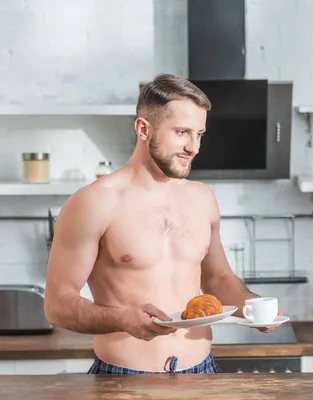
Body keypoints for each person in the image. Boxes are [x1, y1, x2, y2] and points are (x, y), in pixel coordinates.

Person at [44, 73, 283, 375]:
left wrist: (253, 306)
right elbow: (57, 304)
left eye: (200, 134)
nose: (193, 147)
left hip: (201, 373)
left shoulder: (202, 198)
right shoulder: (94, 202)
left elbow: (218, 278)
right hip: (124, 379)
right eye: (182, 132)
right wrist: (121, 319)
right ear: (144, 129)